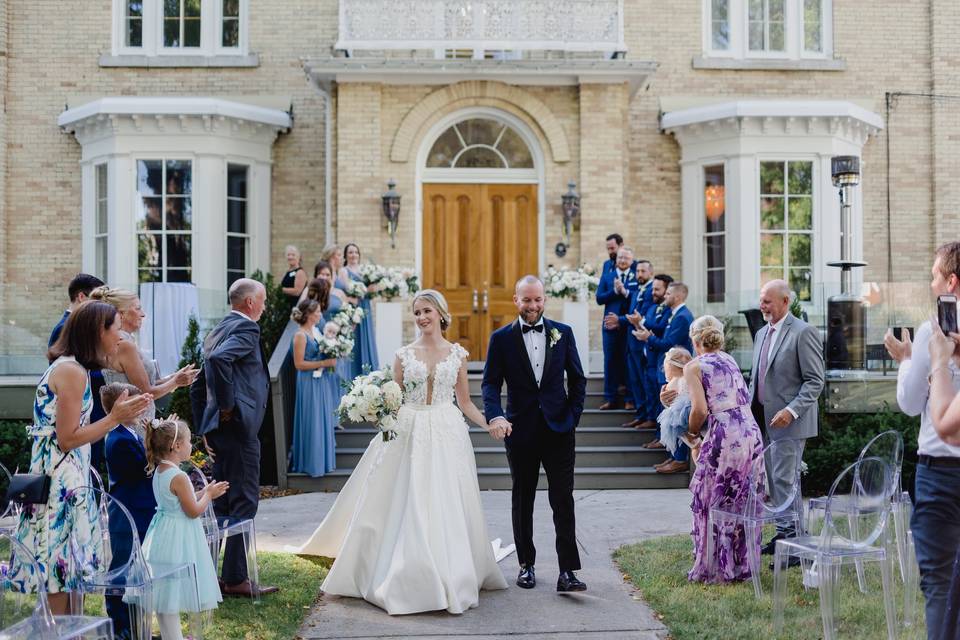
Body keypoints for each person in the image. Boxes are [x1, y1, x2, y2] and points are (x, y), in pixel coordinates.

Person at [296, 289, 508, 614]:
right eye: (417, 312)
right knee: (405, 498)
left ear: (440, 313)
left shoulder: (458, 354)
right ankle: (403, 568)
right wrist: (374, 411)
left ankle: (449, 567)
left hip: (446, 430)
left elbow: (465, 403)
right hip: (408, 428)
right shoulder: (404, 354)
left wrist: (490, 423)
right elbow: (392, 400)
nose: (422, 317)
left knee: (445, 499)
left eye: (427, 311)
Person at [10, 301, 153, 614]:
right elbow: (67, 438)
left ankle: (71, 633)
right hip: (59, 486)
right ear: (97, 332)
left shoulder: (73, 368)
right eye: (115, 328)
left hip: (68, 481)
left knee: (71, 573)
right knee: (59, 573)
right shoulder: (71, 372)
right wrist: (115, 417)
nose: (120, 336)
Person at [483, 275, 588, 592]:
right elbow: (490, 383)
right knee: (522, 498)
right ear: (516, 300)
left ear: (545, 299)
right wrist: (496, 415)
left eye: (538, 299)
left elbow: (578, 380)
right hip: (520, 430)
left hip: (559, 430)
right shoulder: (501, 339)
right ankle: (526, 565)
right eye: (527, 300)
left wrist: (572, 417)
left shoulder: (563, 333)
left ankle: (567, 571)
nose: (533, 305)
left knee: (562, 499)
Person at [885, 241, 960, 639]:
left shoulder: (934, 330)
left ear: (951, 280)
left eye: (934, 276)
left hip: (940, 474)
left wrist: (907, 362)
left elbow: (911, 403)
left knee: (940, 584)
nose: (931, 284)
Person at [189, 278, 278, 598]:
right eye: (264, 301)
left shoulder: (217, 328)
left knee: (223, 503)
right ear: (250, 303)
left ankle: (219, 575)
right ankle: (237, 578)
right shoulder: (247, 329)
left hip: (221, 435)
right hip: (239, 433)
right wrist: (227, 408)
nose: (266, 307)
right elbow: (216, 362)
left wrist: (205, 427)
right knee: (243, 503)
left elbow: (198, 384)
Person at [684, 315, 765, 583]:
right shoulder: (729, 359)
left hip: (725, 436)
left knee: (713, 498)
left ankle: (716, 567)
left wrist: (693, 433)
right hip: (750, 433)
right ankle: (742, 565)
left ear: (695, 340)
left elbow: (700, 409)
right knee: (742, 498)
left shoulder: (694, 366)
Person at [748, 280, 824, 555]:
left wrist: (791, 410)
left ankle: (793, 545)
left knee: (784, 480)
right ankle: (785, 535)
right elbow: (755, 378)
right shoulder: (760, 334)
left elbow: (815, 381)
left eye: (767, 301)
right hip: (763, 421)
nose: (762, 305)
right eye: (761, 299)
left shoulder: (803, 333)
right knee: (775, 480)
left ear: (785, 301)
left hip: (789, 422)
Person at [138, 415, 227, 639]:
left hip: (163, 534)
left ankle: (171, 635)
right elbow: (193, 510)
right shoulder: (179, 476)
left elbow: (180, 502)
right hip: (179, 537)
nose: (191, 445)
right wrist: (208, 494)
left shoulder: (160, 470)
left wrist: (204, 493)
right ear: (176, 446)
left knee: (166, 592)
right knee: (174, 589)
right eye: (188, 442)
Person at [91, 286, 199, 420]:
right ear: (120, 314)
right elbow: (146, 392)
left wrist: (174, 377)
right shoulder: (123, 344)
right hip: (133, 422)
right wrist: (176, 382)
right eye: (137, 308)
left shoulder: (124, 340)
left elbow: (146, 384)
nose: (143, 314)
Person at [101, 382, 156, 640]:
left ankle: (137, 624)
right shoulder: (118, 439)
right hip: (126, 512)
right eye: (135, 403)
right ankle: (119, 624)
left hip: (142, 508)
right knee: (122, 567)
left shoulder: (131, 433)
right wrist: (157, 446)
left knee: (139, 566)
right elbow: (144, 468)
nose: (141, 407)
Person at [633, 281, 694, 473]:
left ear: (677, 296)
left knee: (679, 416)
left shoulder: (683, 317)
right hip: (670, 371)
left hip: (678, 372)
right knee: (671, 414)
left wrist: (647, 338)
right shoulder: (675, 314)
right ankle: (673, 456)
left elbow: (669, 343)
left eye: (668, 294)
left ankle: (680, 459)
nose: (665, 297)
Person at [289, 299, 338, 477]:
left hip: (321, 380)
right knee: (312, 418)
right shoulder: (300, 335)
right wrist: (324, 362)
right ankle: (311, 464)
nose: (320, 314)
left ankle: (323, 462)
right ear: (309, 314)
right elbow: (299, 364)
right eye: (317, 312)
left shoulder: (315, 331)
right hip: (308, 382)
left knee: (321, 418)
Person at [597, 247, 638, 410]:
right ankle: (610, 397)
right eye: (620, 258)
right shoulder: (607, 277)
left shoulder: (637, 277)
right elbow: (599, 298)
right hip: (609, 326)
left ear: (631, 261)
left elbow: (636, 298)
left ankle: (629, 398)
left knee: (627, 360)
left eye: (626, 258)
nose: (622, 261)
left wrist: (624, 291)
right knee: (610, 361)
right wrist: (615, 291)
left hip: (628, 325)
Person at [620, 260, 655, 427]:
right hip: (631, 341)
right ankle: (640, 415)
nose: (639, 274)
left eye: (643, 271)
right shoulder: (636, 291)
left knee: (644, 381)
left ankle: (649, 417)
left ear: (650, 273)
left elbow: (643, 315)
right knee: (635, 380)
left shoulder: (651, 291)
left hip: (643, 343)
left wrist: (637, 320)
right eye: (638, 271)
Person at [641, 274, 673, 433]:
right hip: (649, 359)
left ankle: (661, 436)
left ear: (667, 290)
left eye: (657, 289)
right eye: (652, 288)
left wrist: (643, 324)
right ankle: (653, 425)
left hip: (661, 360)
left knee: (661, 401)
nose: (652, 292)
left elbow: (657, 328)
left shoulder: (670, 311)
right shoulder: (653, 307)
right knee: (651, 394)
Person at [342, 243, 379, 376]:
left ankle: (369, 374)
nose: (353, 255)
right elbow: (346, 290)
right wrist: (364, 290)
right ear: (345, 255)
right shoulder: (344, 271)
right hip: (353, 308)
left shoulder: (365, 270)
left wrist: (373, 289)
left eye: (356, 252)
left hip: (365, 307)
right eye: (350, 252)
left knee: (366, 337)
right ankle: (353, 374)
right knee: (354, 339)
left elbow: (372, 289)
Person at [655, 347, 693, 472]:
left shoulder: (680, 380)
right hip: (677, 413)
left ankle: (680, 459)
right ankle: (674, 457)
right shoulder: (681, 379)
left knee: (678, 433)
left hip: (681, 415)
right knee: (674, 436)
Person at [49, 273, 104, 347]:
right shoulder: (65, 328)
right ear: (81, 297)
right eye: (97, 299)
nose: (102, 304)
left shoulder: (77, 324)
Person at [280, 245, 308, 312]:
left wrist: (281, 290)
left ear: (298, 257)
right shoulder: (288, 272)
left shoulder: (300, 272)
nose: (290, 257)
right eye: (288, 255)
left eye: (293, 255)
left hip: (296, 307)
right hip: (286, 307)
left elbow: (297, 291)